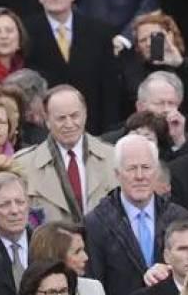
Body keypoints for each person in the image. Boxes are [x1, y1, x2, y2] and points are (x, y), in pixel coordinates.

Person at [84, 134, 188, 295]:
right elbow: (94, 287)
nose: (140, 176)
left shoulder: (178, 218)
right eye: (131, 168)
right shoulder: (96, 224)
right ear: (117, 174)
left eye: (146, 167)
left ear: (156, 172)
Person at [22, 0, 120, 136]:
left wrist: (110, 131)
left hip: (93, 127)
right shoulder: (26, 32)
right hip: (45, 130)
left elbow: (109, 87)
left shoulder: (99, 32)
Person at [14, 85, 117, 222]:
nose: (69, 124)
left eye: (75, 116)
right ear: (47, 120)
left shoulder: (114, 157)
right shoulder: (23, 165)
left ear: (85, 115)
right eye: (61, 118)